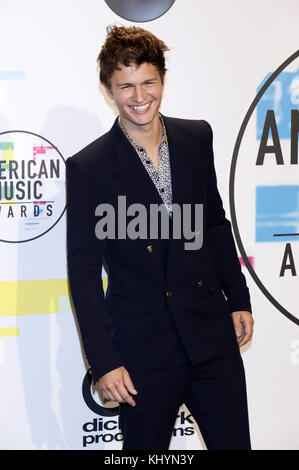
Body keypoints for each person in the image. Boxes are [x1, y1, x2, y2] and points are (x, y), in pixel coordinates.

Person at [66, 25, 254, 450]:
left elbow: (214, 224)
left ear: (163, 79)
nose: (139, 96)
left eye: (148, 81)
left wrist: (238, 298)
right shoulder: (89, 167)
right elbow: (82, 273)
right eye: (125, 86)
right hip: (141, 351)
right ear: (107, 89)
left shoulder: (195, 137)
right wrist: (103, 361)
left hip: (210, 338)